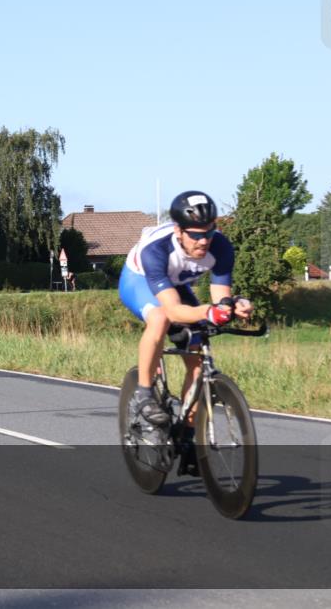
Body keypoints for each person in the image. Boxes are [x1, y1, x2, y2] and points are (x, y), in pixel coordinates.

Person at [118, 191, 253, 475]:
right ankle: (143, 393)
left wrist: (233, 305)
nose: (203, 241)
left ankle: (188, 435)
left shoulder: (221, 247)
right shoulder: (155, 250)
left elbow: (220, 297)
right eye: (195, 235)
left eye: (209, 232)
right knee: (159, 318)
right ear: (179, 230)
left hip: (176, 284)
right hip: (140, 280)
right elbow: (174, 311)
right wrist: (209, 311)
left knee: (197, 353)